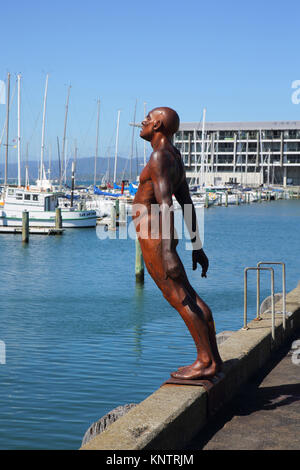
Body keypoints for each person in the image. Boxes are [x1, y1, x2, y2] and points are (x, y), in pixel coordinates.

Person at [132, 107, 222, 380]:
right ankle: (213, 359)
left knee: (179, 297)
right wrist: (197, 245)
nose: (143, 121)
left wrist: (169, 251)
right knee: (189, 296)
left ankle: (205, 361)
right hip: (158, 236)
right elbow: (187, 202)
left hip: (155, 237)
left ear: (158, 124)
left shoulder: (159, 157)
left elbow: (167, 204)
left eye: (148, 118)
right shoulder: (174, 156)